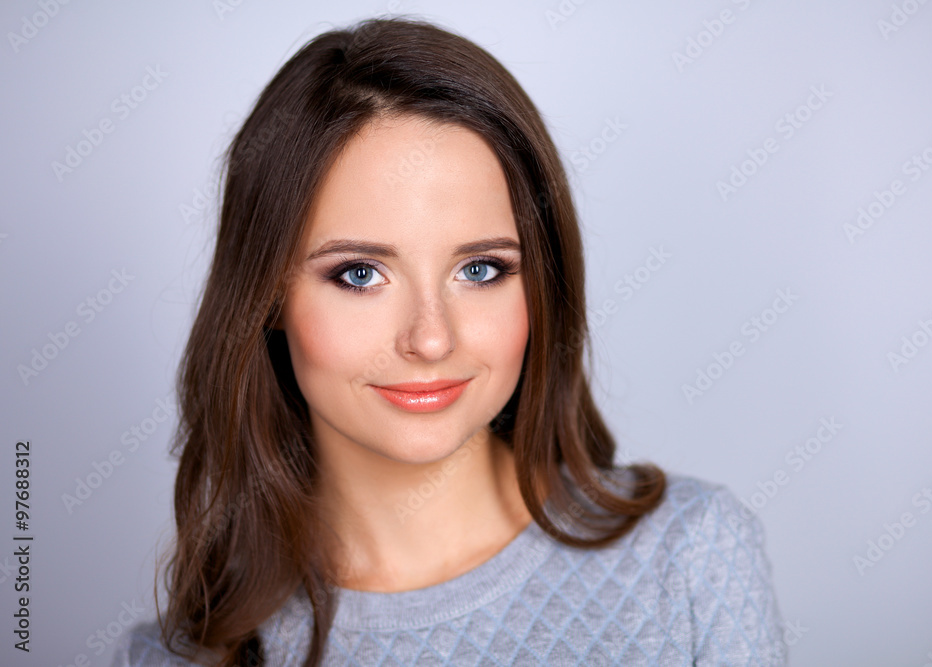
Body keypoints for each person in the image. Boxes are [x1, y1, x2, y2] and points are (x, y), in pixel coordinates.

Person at [112, 16, 787, 667]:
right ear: (268, 295)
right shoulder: (177, 658)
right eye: (359, 273)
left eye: (480, 269)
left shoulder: (694, 560)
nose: (431, 338)